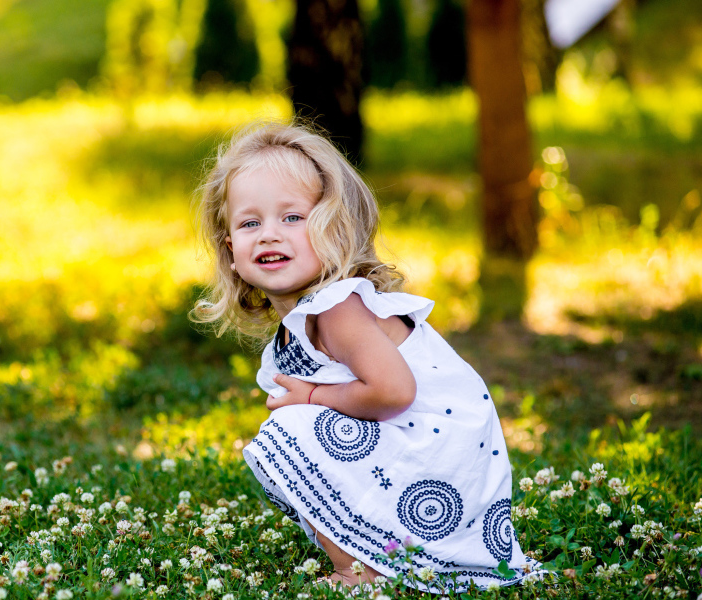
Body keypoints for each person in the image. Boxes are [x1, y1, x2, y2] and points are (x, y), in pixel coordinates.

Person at [191, 122, 540, 593]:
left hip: (440, 458)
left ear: (332, 230)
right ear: (231, 249)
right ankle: (377, 551)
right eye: (250, 223)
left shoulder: (338, 308)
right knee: (294, 437)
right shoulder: (309, 317)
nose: (269, 235)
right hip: (427, 463)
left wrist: (313, 396)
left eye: (292, 218)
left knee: (290, 431)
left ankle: (362, 570)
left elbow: (395, 392)